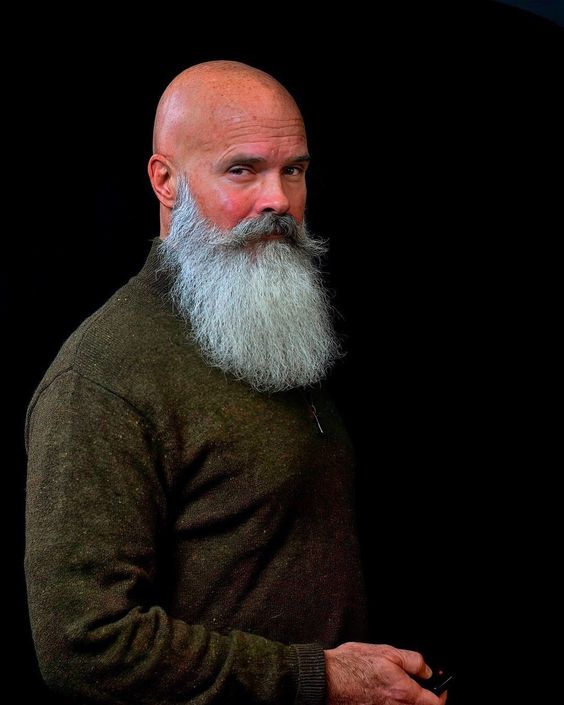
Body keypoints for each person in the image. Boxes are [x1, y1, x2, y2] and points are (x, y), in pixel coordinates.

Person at [25, 61, 447, 705]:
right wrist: (324, 678)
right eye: (242, 170)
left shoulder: (269, 318)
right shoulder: (101, 378)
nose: (278, 199)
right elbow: (85, 643)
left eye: (294, 170)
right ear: (165, 180)